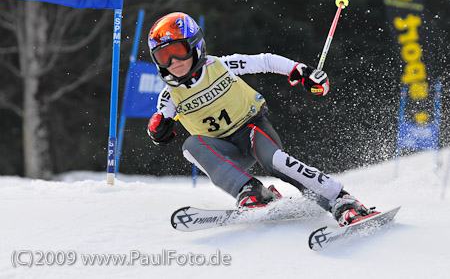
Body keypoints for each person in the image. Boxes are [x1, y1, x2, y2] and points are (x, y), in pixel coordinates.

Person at [147, 12, 376, 227]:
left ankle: (341, 200)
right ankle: (252, 191)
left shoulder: (220, 66)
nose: (173, 62)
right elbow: (160, 124)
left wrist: (301, 71)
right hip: (227, 152)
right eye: (163, 57)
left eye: (178, 50)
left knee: (276, 161)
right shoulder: (169, 96)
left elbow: (264, 61)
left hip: (252, 130)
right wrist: (159, 131)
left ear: (195, 46)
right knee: (191, 146)